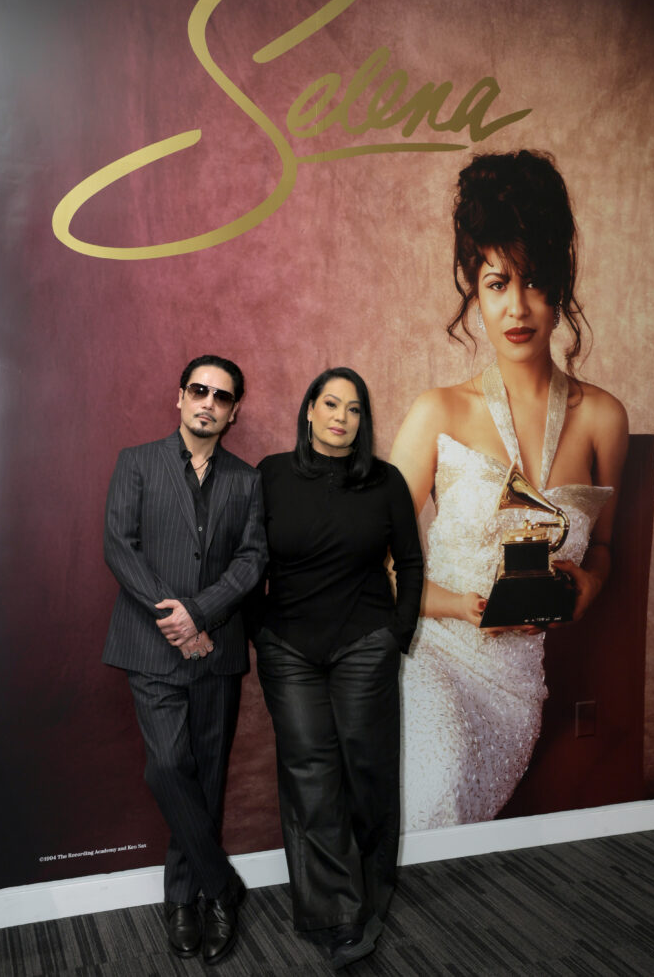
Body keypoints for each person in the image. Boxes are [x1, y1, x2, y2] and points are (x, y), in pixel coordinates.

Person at [390, 151, 628, 830]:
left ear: (562, 288)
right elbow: (370, 566)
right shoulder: (436, 413)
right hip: (427, 656)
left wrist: (589, 586)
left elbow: (604, 549)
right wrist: (463, 609)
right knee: (434, 784)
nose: (517, 307)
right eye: (497, 283)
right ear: (475, 289)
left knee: (447, 792)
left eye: (535, 281)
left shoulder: (603, 419)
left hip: (514, 691)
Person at [253, 368, 423, 970]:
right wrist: (258, 630)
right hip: (289, 649)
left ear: (362, 421)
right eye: (330, 404)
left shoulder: (385, 481)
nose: (341, 418)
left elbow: (410, 562)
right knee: (311, 777)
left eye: (353, 409)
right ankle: (336, 914)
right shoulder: (271, 474)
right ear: (309, 410)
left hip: (364, 644)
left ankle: (370, 893)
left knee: (367, 771)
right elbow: (248, 558)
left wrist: (396, 634)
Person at [103, 354, 267, 965]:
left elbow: (251, 561)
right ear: (180, 397)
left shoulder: (247, 480)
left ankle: (184, 899)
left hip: (216, 651)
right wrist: (172, 617)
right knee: (170, 766)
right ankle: (222, 885)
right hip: (151, 649)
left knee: (208, 779)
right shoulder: (137, 462)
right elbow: (119, 546)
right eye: (199, 390)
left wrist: (200, 614)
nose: (208, 403)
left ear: (233, 412)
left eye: (222, 397)